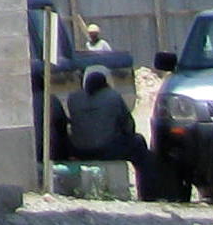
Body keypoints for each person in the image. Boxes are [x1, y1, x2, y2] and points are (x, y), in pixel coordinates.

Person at [63, 61, 157, 199]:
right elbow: (129, 126)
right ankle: (147, 193)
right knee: (139, 142)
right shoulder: (113, 96)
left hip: (80, 150)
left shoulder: (74, 98)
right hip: (107, 150)